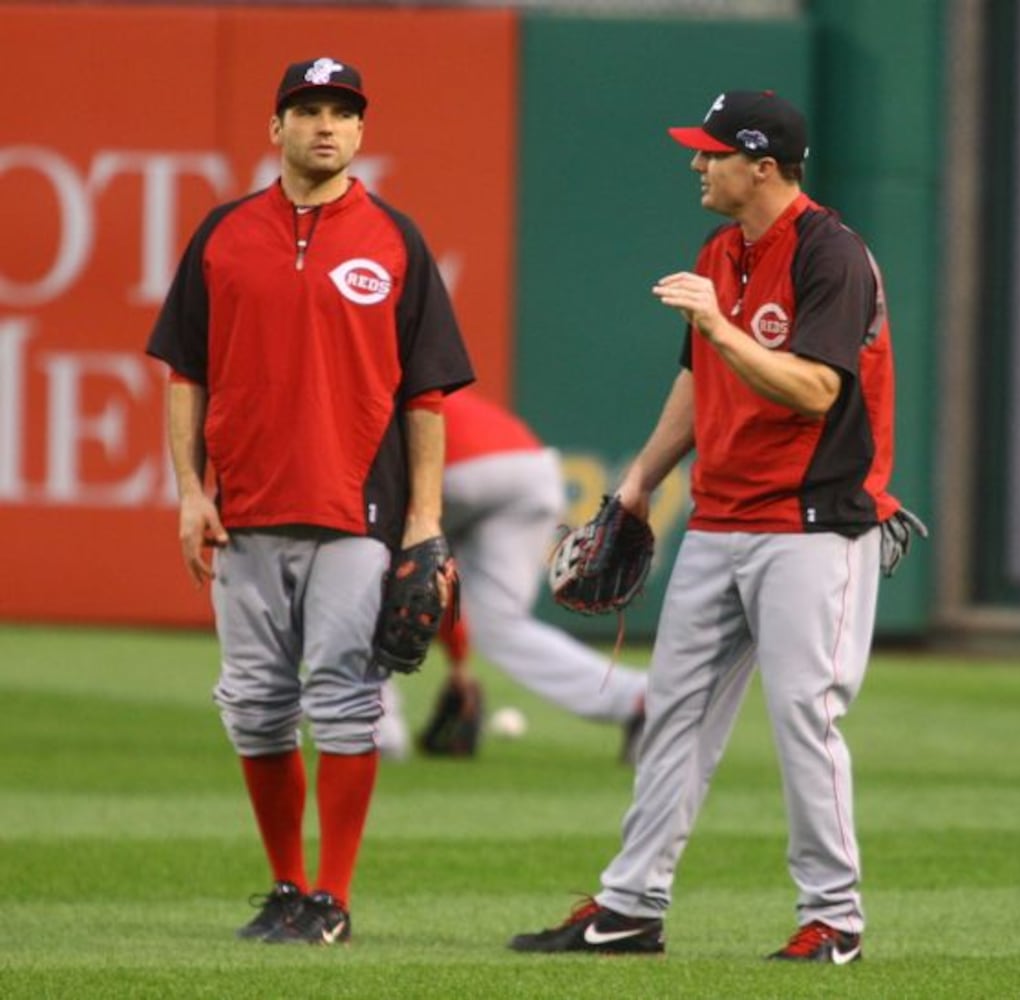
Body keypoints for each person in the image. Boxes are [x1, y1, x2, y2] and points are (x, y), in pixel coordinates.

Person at [509, 90, 905, 964]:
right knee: (676, 714)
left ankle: (834, 919)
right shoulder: (720, 249)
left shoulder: (830, 256)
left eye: (713, 152)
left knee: (805, 714)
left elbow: (815, 390)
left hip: (813, 524)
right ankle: (629, 909)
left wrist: (721, 326)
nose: (697, 164)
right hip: (720, 519)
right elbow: (698, 378)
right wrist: (640, 481)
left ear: (762, 166)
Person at [146, 56, 473, 945]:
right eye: (307, 109)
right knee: (254, 709)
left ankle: (333, 895)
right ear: (275, 128)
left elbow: (428, 394)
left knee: (342, 700)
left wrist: (426, 522)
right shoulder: (222, 234)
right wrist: (187, 492)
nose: (324, 125)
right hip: (245, 510)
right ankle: (287, 887)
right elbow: (187, 372)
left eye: (341, 112)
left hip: (357, 513)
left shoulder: (396, 240)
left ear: (362, 133)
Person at [374, 389, 648, 763]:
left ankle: (376, 732)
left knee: (371, 573)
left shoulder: (364, 389)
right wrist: (459, 666)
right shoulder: (419, 376)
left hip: (454, 469)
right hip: (531, 469)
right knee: (498, 624)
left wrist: (457, 659)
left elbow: (422, 568)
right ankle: (636, 699)